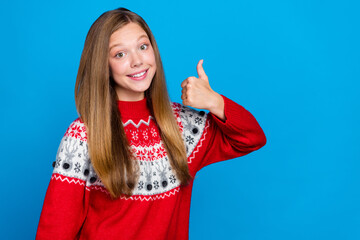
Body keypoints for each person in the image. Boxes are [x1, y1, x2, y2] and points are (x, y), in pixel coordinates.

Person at [36, 7, 266, 240]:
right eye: (120, 54)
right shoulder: (83, 135)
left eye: (143, 47)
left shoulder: (182, 126)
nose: (137, 61)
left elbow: (251, 138)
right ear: (103, 66)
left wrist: (215, 102)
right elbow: (55, 230)